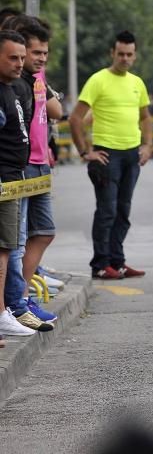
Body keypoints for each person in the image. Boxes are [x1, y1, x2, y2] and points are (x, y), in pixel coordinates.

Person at [69, 31, 153, 279]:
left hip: (132, 155)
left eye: (129, 54)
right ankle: (100, 264)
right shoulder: (98, 80)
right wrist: (85, 151)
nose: (125, 59)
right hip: (107, 155)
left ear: (135, 55)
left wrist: (148, 145)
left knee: (123, 211)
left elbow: (146, 117)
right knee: (107, 210)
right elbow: (75, 118)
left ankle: (118, 262)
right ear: (112, 54)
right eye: (121, 54)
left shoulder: (137, 83)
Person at [4, 19, 60, 325]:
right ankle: (16, 303)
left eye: (44, 53)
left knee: (44, 231)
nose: (38, 59)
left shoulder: (37, 80)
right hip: (22, 166)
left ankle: (22, 297)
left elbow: (56, 112)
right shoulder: (17, 85)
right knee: (17, 238)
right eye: (33, 52)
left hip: (41, 163)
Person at [0, 31, 37, 337]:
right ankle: (3, 312)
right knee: (3, 248)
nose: (19, 64)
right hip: (4, 179)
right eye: (13, 57)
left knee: (8, 245)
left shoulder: (11, 88)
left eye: (22, 58)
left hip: (15, 178)